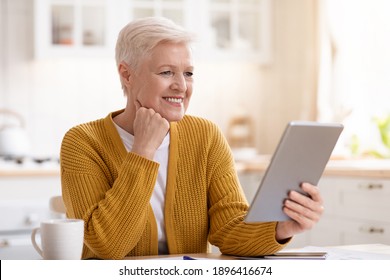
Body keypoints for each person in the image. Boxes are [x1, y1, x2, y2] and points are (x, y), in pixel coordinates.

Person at [60, 17, 324, 260]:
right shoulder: (82, 143)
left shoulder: (205, 136)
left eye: (188, 73)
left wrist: (280, 228)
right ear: (127, 74)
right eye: (166, 72)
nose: (182, 86)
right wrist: (143, 150)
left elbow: (228, 228)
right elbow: (106, 246)